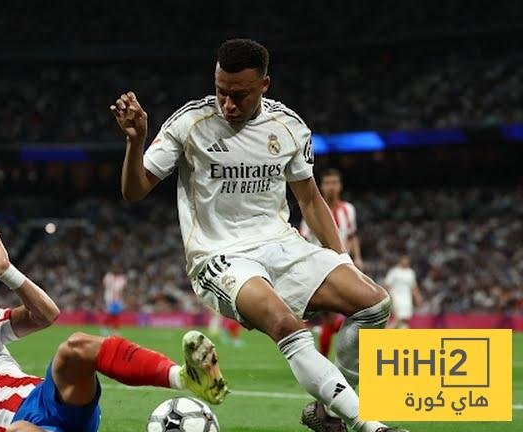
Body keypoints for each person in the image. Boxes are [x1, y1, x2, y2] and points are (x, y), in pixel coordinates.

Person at [112, 38, 404, 432]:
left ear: (265, 84)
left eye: (240, 95)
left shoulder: (289, 127)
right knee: (286, 325)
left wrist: (341, 259)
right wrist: (135, 142)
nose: (228, 104)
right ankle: (368, 425)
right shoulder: (189, 123)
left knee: (374, 304)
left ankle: (329, 413)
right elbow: (134, 191)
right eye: (221, 91)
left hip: (281, 245)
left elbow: (310, 199)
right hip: (220, 255)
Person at [0, 226, 228, 432]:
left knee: (75, 347)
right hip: (19, 430)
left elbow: (46, 315)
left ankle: (184, 378)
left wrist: (7, 272)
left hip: (48, 401)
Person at [299, 168, 361, 358]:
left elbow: (352, 236)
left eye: (334, 182)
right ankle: (326, 358)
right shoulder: (312, 210)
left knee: (348, 313)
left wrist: (357, 258)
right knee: (330, 316)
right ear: (321, 186)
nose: (331, 187)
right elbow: (304, 239)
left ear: (340, 186)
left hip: (345, 266)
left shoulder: (348, 210)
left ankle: (324, 357)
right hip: (320, 269)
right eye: (327, 183)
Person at [383, 255, 421, 329]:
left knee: (405, 319)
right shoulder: (394, 272)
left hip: (407, 299)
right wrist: (388, 297)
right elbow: (387, 285)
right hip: (396, 297)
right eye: (404, 259)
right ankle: (386, 331)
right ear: (400, 260)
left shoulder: (410, 272)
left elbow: (413, 287)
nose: (405, 261)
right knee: (399, 317)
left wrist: (417, 297)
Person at [101, 263, 127, 335]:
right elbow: (105, 285)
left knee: (116, 315)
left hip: (118, 298)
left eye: (118, 268)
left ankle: (115, 330)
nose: (117, 270)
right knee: (110, 314)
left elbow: (123, 288)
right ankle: (105, 327)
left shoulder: (122, 278)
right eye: (115, 268)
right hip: (109, 298)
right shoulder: (108, 276)